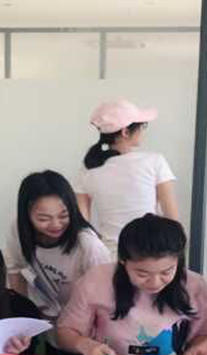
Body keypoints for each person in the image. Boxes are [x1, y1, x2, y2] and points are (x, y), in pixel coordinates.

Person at [56, 214, 207, 355]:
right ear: (122, 260)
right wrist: (85, 345)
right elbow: (64, 333)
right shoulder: (97, 280)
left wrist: (198, 349)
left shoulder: (194, 286)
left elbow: (201, 337)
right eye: (142, 274)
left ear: (178, 260)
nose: (155, 282)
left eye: (166, 272)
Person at [5, 170, 110, 323]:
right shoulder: (19, 229)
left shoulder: (89, 245)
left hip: (82, 320)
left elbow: (104, 294)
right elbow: (15, 270)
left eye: (63, 216)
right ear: (26, 215)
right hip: (46, 316)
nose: (55, 225)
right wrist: (22, 317)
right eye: (43, 219)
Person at [75, 100, 178, 252]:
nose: (142, 131)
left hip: (107, 254)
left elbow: (82, 226)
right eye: (142, 126)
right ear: (125, 132)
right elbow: (172, 219)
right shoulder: (154, 162)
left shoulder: (88, 169)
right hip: (149, 252)